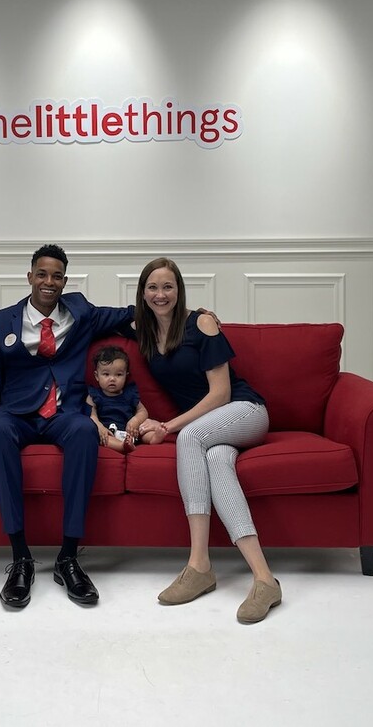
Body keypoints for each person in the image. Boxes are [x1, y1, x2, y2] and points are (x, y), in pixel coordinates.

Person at [0, 244, 133, 609]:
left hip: (64, 414)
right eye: (42, 274)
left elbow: (132, 315)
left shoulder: (81, 312)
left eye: (56, 276)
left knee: (85, 431)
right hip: (17, 413)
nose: (49, 281)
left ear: (64, 281)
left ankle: (68, 557)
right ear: (30, 277)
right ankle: (21, 557)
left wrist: (190, 316)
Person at [133, 257, 283, 624]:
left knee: (190, 437)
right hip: (215, 429)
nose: (160, 294)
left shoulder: (201, 323)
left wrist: (167, 426)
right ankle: (265, 579)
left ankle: (198, 564)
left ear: (179, 289)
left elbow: (220, 393)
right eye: (152, 287)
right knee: (216, 462)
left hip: (244, 411)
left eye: (168, 286)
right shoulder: (142, 327)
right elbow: (95, 316)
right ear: (143, 293)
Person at [86, 345, 150, 453]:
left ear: (126, 375)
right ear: (97, 376)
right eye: (106, 374)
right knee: (101, 437)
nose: (112, 379)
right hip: (108, 432)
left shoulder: (130, 394)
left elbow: (142, 411)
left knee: (146, 428)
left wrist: (136, 420)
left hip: (130, 431)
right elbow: (91, 415)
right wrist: (100, 427)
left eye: (119, 374)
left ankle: (154, 437)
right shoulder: (94, 395)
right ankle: (122, 446)